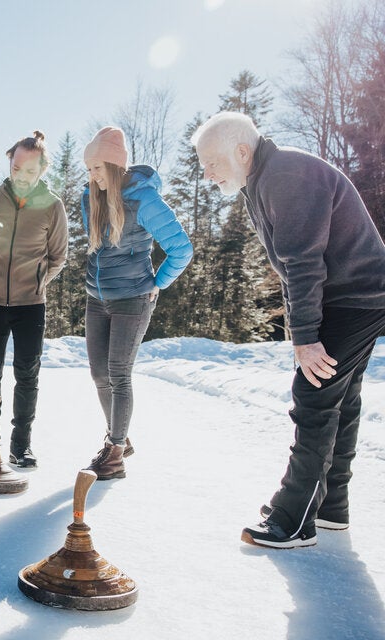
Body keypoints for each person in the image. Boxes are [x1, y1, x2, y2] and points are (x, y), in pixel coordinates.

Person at [192, 112, 385, 549]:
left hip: (356, 297)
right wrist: (303, 326)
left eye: (212, 162)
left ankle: (293, 520)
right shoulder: (261, 179)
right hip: (351, 295)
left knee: (315, 395)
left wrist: (304, 335)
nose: (207, 174)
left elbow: (302, 262)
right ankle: (330, 507)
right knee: (340, 396)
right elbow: (292, 263)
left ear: (242, 151)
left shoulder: (285, 174)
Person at [80, 126, 193, 480]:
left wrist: (158, 283)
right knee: (99, 375)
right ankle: (120, 437)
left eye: (98, 168)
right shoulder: (90, 197)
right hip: (96, 298)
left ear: (115, 166)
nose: (92, 176)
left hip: (133, 299)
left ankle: (114, 455)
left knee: (118, 374)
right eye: (89, 169)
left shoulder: (145, 200)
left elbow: (181, 249)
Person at [0, 131, 69, 467]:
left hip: (30, 306)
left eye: (30, 171)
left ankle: (21, 444)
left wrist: (37, 283)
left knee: (27, 373)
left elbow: (58, 257)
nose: (22, 176)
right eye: (16, 169)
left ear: (41, 170)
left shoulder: (53, 207)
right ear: (9, 163)